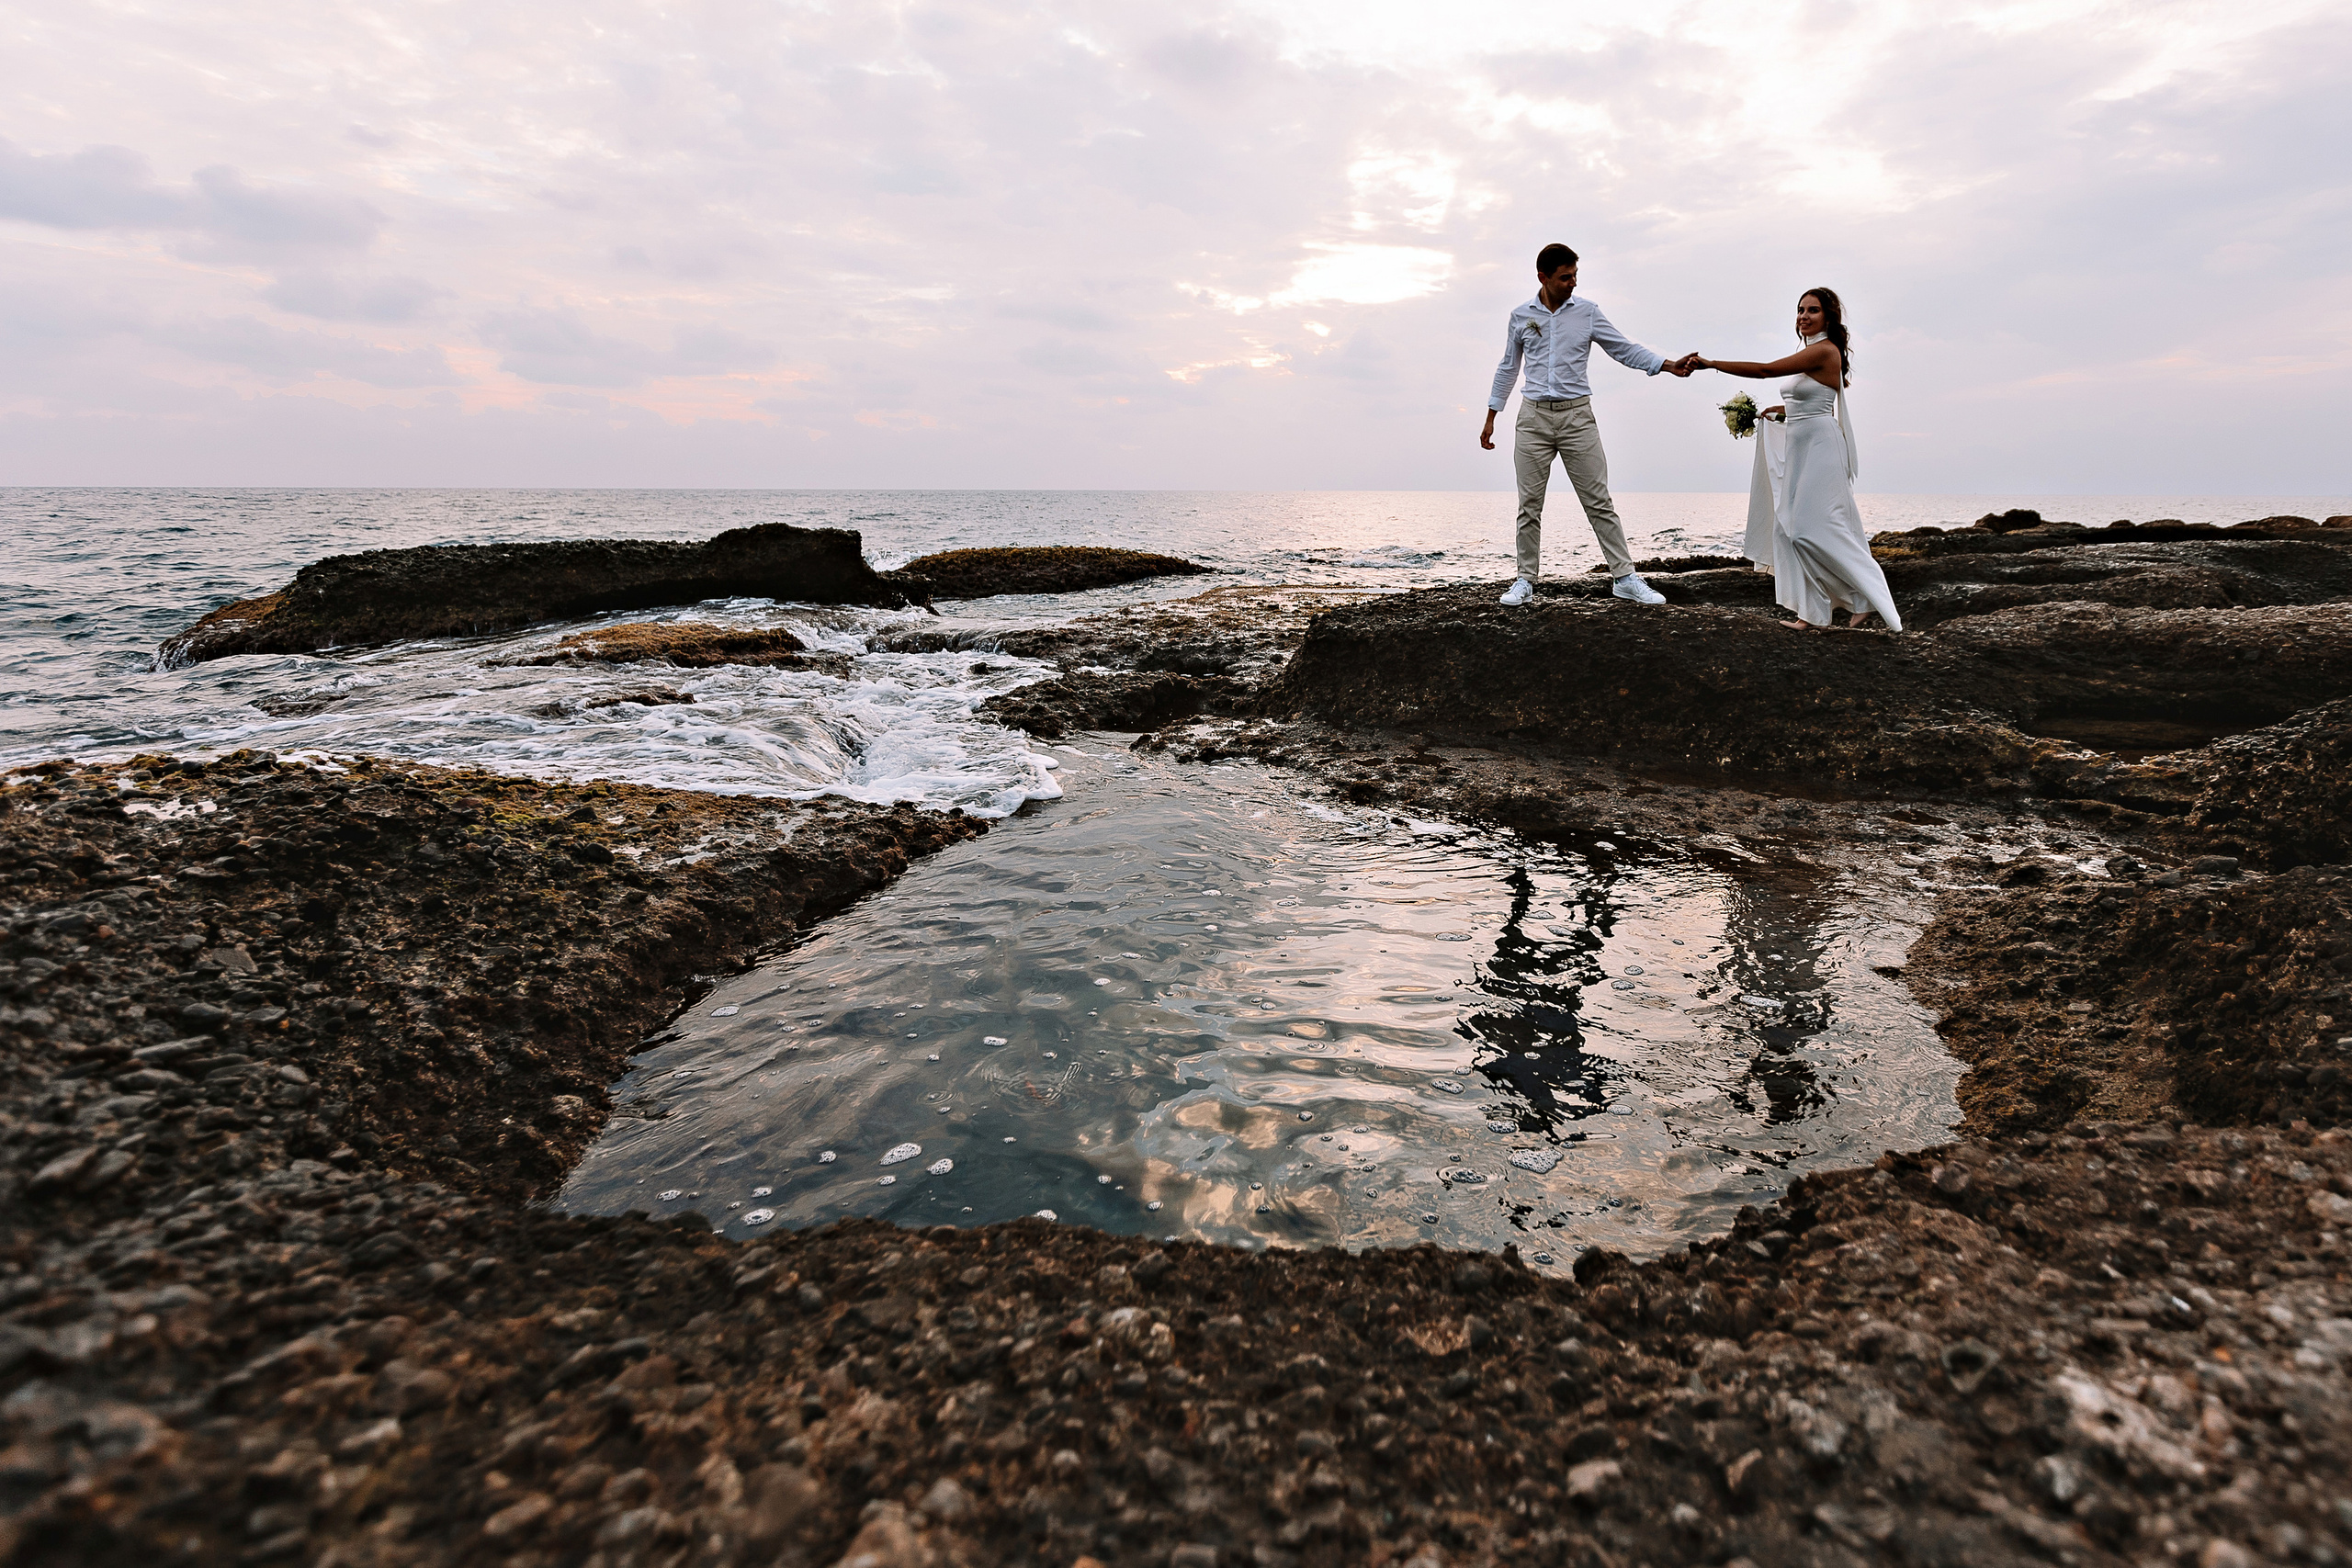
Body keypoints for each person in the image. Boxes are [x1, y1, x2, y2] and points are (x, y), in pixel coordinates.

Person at [1481, 242, 1691, 607]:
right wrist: (1491, 416)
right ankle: (1524, 581)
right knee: (1529, 504)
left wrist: (1667, 365)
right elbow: (1508, 367)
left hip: (1577, 416)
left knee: (1599, 501)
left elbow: (1623, 348)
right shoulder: (1520, 316)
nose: (1573, 283)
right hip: (1532, 418)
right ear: (1543, 278)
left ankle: (1625, 578)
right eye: (1565, 277)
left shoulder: (1588, 313)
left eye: (1576, 275)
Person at [1679, 288, 1902, 632]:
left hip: (1820, 447)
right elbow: (1819, 396)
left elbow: (1767, 371)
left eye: (1813, 310)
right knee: (1787, 529)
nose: (1804, 316)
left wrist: (1712, 364)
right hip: (1801, 445)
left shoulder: (1825, 351)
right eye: (1800, 310)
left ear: (1828, 317)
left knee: (1810, 531)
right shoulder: (1814, 352)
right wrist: (1782, 410)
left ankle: (1869, 598)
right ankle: (1813, 613)